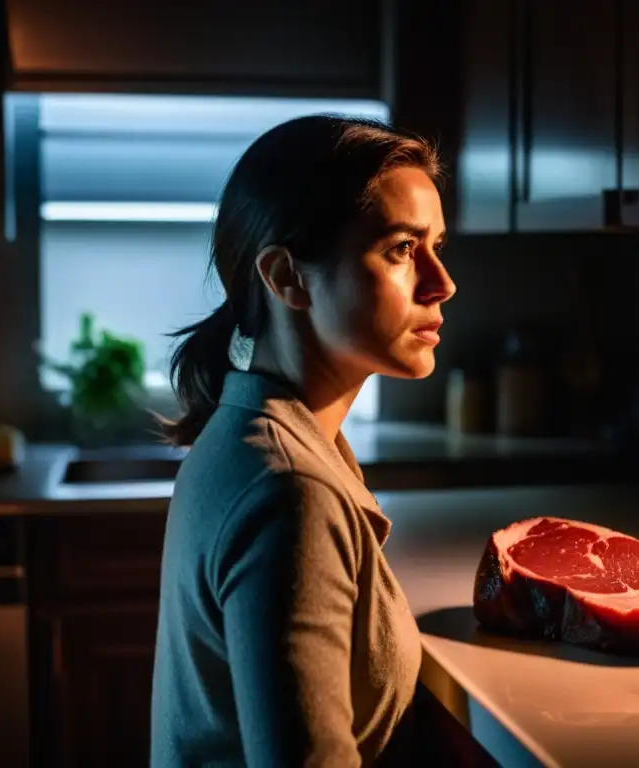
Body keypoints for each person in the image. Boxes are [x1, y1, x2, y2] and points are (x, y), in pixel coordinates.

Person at [149, 115, 455, 767]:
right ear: (286, 276)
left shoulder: (257, 429)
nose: (441, 283)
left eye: (437, 246)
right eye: (401, 249)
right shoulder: (290, 491)